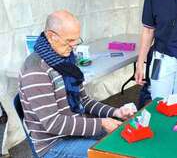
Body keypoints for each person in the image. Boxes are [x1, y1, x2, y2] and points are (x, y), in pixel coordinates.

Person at [18, 10, 136, 158]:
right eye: (69, 41)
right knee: (112, 152)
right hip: (53, 144)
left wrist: (115, 112)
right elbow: (54, 123)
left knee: (121, 139)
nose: (74, 46)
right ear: (51, 36)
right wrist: (101, 123)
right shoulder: (35, 71)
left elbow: (84, 101)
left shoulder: (65, 60)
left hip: (75, 127)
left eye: (76, 40)